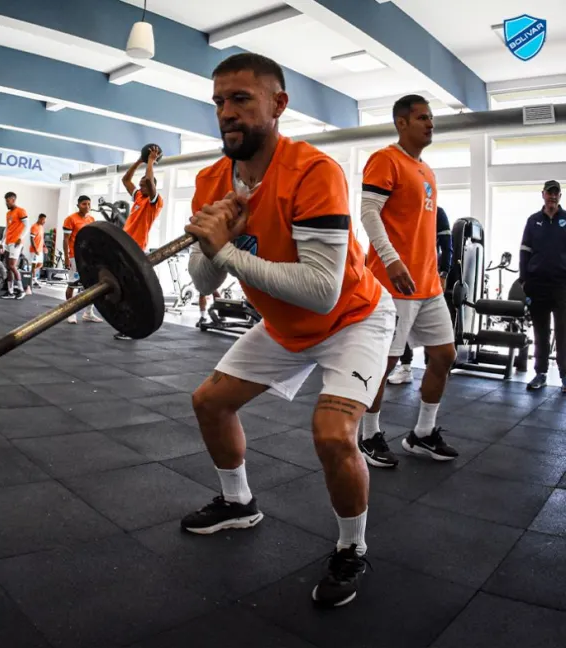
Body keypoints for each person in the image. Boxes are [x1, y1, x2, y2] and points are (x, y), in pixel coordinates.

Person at [180, 53, 395, 608]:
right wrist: (218, 241)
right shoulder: (210, 180)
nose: (227, 112)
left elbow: (322, 290)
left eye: (241, 99)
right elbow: (204, 278)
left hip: (353, 318)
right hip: (283, 324)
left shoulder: (313, 172)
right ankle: (238, 503)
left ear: (278, 104)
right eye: (219, 102)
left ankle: (352, 546)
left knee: (333, 434)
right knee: (209, 402)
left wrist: (225, 249)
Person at [358, 94, 458, 469]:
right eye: (422, 118)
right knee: (382, 364)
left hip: (428, 286)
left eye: (431, 118)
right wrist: (391, 259)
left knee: (445, 355)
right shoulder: (386, 159)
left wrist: (438, 274)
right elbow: (368, 212)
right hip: (393, 284)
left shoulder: (426, 171)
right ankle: (368, 435)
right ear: (402, 123)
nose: (430, 123)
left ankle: (422, 433)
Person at [387, 205, 453, 384]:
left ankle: (429, 368)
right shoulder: (404, 212)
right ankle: (406, 368)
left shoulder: (438, 213)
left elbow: (447, 247)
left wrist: (444, 274)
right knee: (402, 327)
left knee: (435, 338)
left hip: (428, 279)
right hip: (402, 278)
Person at [521, 180, 566, 391]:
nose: (552, 196)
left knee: (563, 331)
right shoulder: (533, 221)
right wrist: (524, 281)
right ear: (543, 195)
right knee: (541, 332)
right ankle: (541, 373)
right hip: (537, 284)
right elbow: (524, 251)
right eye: (549, 193)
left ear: (560, 196)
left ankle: (565, 375)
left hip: (562, 285)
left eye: (556, 193)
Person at [116, 145, 165, 340]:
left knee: (131, 289)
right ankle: (127, 323)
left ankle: (134, 325)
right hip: (124, 244)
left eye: (143, 183)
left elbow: (151, 182)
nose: (140, 185)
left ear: (151, 186)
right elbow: (125, 180)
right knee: (122, 285)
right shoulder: (138, 197)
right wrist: (139, 160)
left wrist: (151, 161)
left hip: (136, 248)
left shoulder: (155, 202)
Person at [63, 195, 102, 324]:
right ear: (78, 205)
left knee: (91, 285)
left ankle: (88, 313)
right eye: (84, 204)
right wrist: (66, 257)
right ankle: (70, 313)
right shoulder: (70, 219)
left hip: (88, 257)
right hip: (74, 256)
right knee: (73, 284)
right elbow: (66, 240)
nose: (87, 206)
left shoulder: (91, 219)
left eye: (89, 204)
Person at [0, 192, 27, 300]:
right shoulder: (8, 214)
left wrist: (20, 238)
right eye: (5, 201)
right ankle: (10, 292)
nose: (6, 203)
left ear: (13, 200)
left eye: (8, 201)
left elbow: (27, 226)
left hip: (16, 242)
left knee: (12, 266)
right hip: (8, 242)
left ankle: (21, 290)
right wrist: (2, 242)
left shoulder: (21, 211)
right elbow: (7, 228)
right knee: (8, 267)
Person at [29, 214, 46, 289]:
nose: (44, 221)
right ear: (39, 219)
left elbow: (42, 238)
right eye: (43, 220)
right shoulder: (34, 226)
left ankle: (31, 275)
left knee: (40, 264)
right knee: (34, 265)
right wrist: (35, 249)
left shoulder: (41, 227)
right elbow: (31, 239)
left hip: (40, 250)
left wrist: (44, 246)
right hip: (34, 250)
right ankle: (33, 280)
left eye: (44, 220)